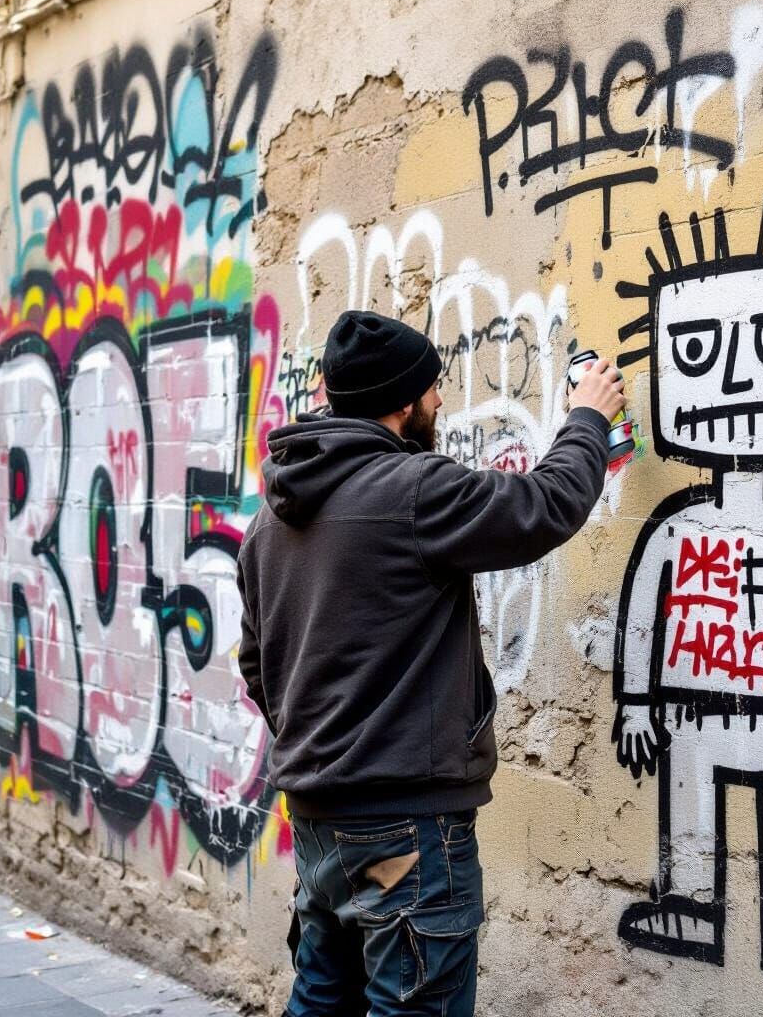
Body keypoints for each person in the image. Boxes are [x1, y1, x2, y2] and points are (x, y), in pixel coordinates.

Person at [234, 309, 625, 1016]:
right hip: (403, 837)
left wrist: (328, 749)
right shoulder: (413, 490)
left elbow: (258, 668)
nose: (442, 401)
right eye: (434, 388)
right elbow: (544, 504)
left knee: (323, 999)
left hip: (321, 828)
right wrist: (589, 420)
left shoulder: (267, 520)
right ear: (405, 402)